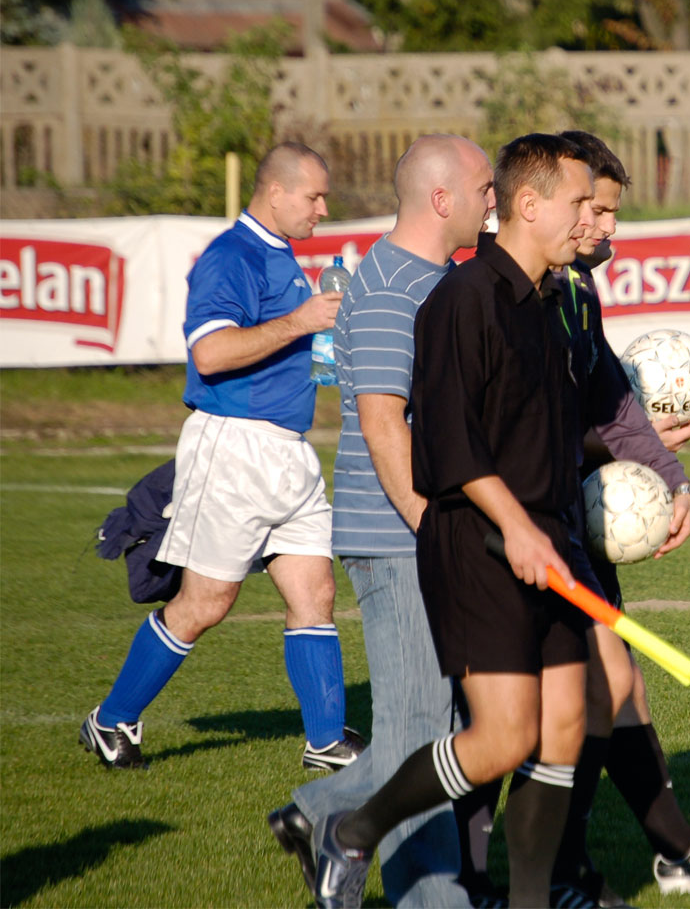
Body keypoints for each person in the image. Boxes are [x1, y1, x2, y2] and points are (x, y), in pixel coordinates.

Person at [453, 131, 690, 909]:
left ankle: (613, 865)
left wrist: (669, 477)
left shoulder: (573, 292)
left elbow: (607, 405)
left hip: (563, 521)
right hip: (499, 532)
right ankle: (434, 863)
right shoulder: (491, 292)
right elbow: (503, 430)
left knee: (606, 688)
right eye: (592, 208)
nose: (602, 226)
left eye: (608, 212)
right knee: (499, 721)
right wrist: (616, 452)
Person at [307, 133, 597, 909]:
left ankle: (528, 898)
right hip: (478, 542)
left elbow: (543, 431)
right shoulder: (455, 299)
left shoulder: (545, 302)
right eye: (578, 204)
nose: (590, 220)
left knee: (563, 725)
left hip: (545, 542)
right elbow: (442, 442)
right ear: (529, 206)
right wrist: (480, 530)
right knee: (489, 735)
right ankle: (350, 830)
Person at [79, 142, 365, 772]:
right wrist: (300, 321)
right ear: (276, 193)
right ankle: (110, 719)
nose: (323, 208)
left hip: (289, 452)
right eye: (314, 196)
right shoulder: (230, 256)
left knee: (314, 591)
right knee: (207, 603)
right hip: (234, 447)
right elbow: (209, 354)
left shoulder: (282, 256)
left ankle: (325, 741)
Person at [268, 135, 494, 907]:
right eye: (484, 188)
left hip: (418, 533)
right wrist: (432, 527)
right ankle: (324, 818)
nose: (491, 200)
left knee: (438, 731)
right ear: (443, 200)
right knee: (419, 739)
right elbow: (381, 419)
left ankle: (385, 862)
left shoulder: (431, 278)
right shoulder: (398, 286)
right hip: (399, 538)